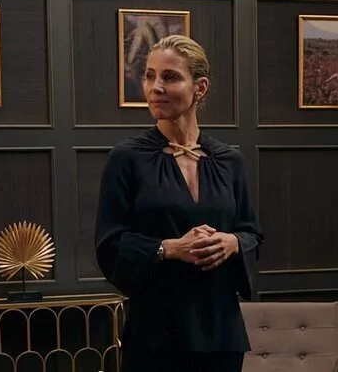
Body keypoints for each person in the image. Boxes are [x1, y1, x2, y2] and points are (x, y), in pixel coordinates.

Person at [95, 35, 264, 372]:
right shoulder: (126, 159)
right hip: (155, 335)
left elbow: (252, 235)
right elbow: (109, 245)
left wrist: (232, 242)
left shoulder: (229, 161)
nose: (155, 87)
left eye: (170, 77)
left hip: (220, 334)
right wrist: (169, 248)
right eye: (149, 76)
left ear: (200, 88)